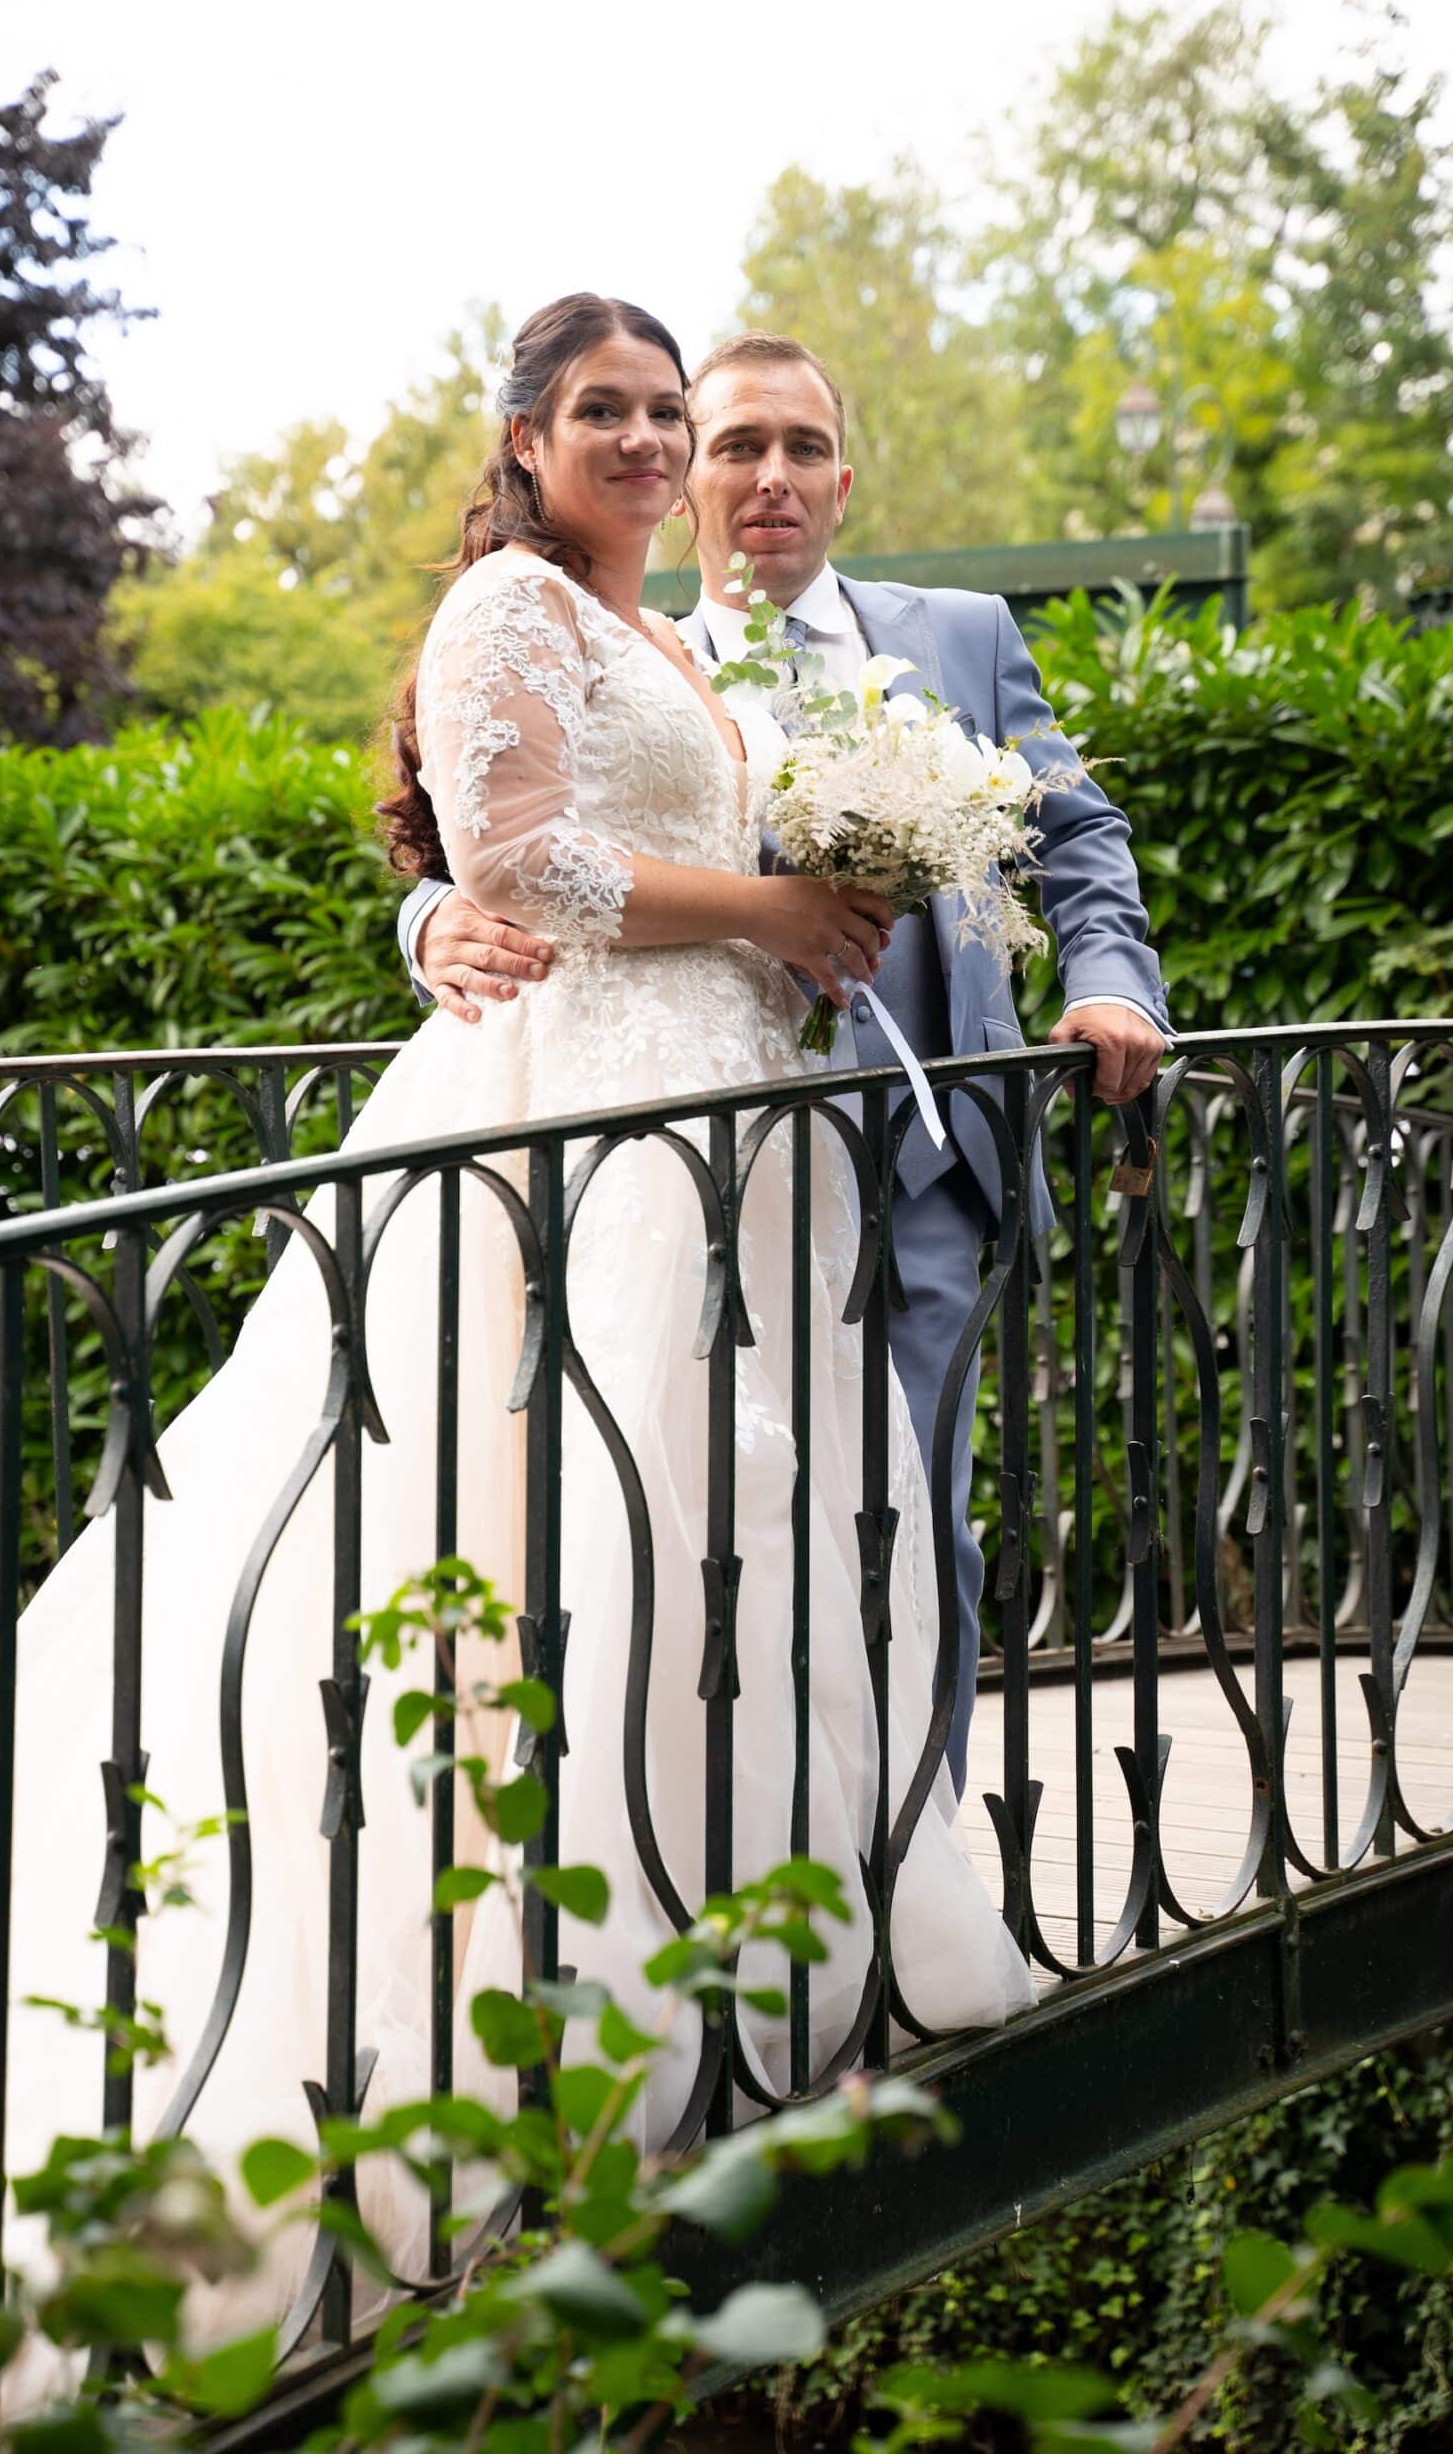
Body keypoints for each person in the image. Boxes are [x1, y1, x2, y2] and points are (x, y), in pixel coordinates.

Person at [0, 295, 1032, 2409]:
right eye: (609, 412)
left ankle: (726, 1960)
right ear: (530, 438)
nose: (652, 442)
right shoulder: (507, 602)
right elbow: (521, 861)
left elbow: (592, 841)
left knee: (727, 1532)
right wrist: (765, 921)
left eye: (670, 410)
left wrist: (811, 927)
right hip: (588, 1132)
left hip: (740, 1126)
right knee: (532, 1538)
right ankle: (508, 2007)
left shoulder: (676, 643)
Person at [394, 330, 1171, 1797]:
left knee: (907, 1516)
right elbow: (489, 830)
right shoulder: (629, 642)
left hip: (925, 1153)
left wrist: (1112, 984)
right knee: (704, 1524)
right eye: (738, 444)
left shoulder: (958, 634)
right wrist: (430, 921)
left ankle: (911, 1851)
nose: (770, 476)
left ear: (844, 479)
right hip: (693, 1152)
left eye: (802, 447)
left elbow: (1076, 833)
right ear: (692, 480)